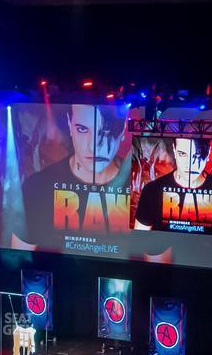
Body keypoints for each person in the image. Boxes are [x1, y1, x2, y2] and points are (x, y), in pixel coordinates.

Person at [13, 103, 132, 250]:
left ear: (123, 129)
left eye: (106, 130)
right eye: (82, 129)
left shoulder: (142, 189)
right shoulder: (36, 187)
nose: (93, 146)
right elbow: (18, 261)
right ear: (70, 125)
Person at [134, 136, 212, 235]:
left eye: (197, 155)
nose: (190, 164)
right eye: (183, 154)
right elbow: (139, 238)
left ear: (208, 153)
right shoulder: (152, 190)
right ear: (174, 151)